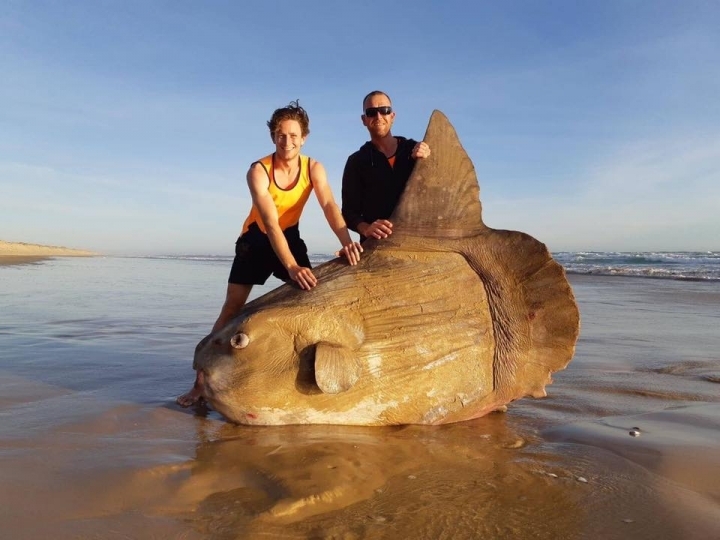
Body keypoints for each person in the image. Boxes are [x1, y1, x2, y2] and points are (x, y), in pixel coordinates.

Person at [177, 100, 362, 407]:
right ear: (273, 137)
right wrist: (290, 266)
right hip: (256, 239)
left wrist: (346, 240)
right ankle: (200, 381)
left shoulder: (313, 168)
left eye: (293, 135)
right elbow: (270, 223)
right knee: (232, 307)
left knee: (310, 295)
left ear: (303, 137)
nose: (286, 141)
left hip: (289, 235)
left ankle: (294, 372)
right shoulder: (258, 171)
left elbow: (329, 206)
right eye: (280, 135)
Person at [341, 91, 431, 243]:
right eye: (371, 112)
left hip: (417, 242)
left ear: (392, 116)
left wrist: (430, 160)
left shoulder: (415, 150)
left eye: (384, 111)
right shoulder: (356, 161)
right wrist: (366, 228)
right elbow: (349, 212)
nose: (378, 117)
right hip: (377, 246)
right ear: (364, 119)